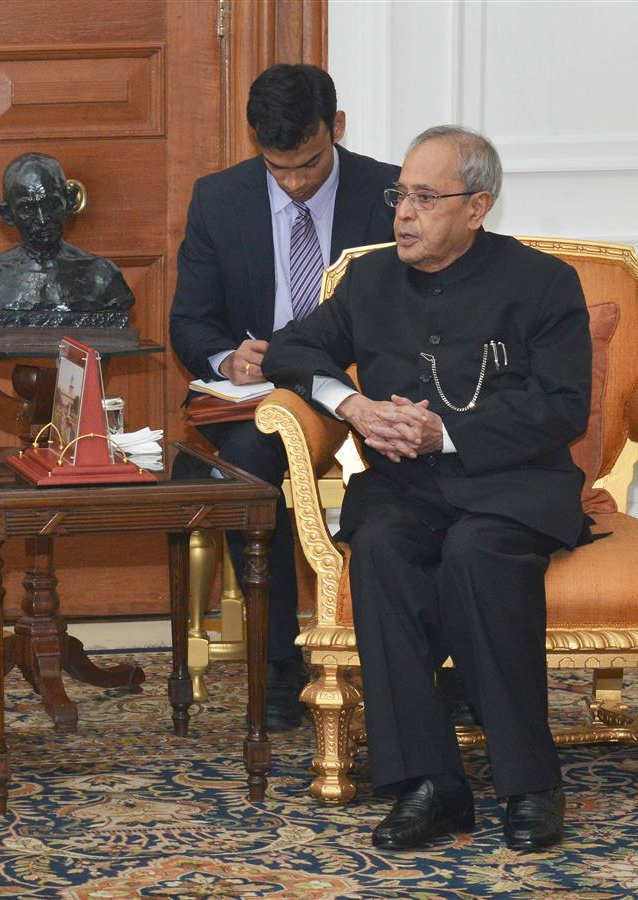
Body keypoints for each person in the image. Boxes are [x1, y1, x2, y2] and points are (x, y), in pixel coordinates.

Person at [263, 125, 592, 852]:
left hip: (513, 485)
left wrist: (444, 433)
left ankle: (532, 782)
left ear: (477, 207)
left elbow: (563, 406)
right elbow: (291, 348)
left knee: (476, 555)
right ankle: (431, 785)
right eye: (398, 196)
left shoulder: (543, 284)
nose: (402, 214)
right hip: (407, 489)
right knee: (377, 548)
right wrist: (351, 406)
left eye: (424, 198)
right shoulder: (371, 280)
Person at [168, 64, 398, 731]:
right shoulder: (219, 198)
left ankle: (412, 654)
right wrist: (224, 358)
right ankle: (276, 664)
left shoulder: (389, 192)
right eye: (279, 167)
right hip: (268, 395)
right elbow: (189, 320)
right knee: (246, 470)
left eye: (309, 164)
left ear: (339, 129)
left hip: (362, 384)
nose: (295, 181)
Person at [0, 152, 133, 320]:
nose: (42, 220)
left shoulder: (101, 277)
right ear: (7, 214)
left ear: (69, 202)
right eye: (27, 209)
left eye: (52, 205)